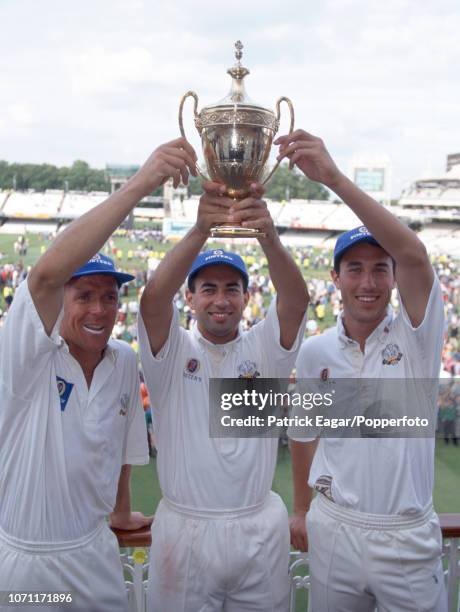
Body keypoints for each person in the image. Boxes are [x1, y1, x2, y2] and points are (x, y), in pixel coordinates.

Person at [0, 137, 196, 611]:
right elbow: (45, 276)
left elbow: (122, 452)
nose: (99, 309)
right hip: (29, 562)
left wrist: (123, 511)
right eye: (84, 295)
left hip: (95, 554)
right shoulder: (27, 356)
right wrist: (144, 182)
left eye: (109, 297)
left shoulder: (124, 360)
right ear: (59, 301)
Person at [276, 130, 447, 611]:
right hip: (335, 531)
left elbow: (415, 254)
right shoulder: (315, 353)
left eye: (379, 269)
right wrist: (303, 508)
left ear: (395, 277)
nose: (368, 283)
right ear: (335, 278)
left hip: (404, 536)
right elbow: (305, 433)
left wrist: (331, 177)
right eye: (354, 269)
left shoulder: (416, 337)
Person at [138, 181, 309, 611]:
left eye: (231, 288)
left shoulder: (263, 350)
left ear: (246, 298)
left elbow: (295, 299)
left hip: (258, 529)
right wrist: (200, 230)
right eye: (208, 288)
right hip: (185, 531)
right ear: (190, 297)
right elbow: (153, 300)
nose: (220, 300)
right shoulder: (173, 350)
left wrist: (269, 235)